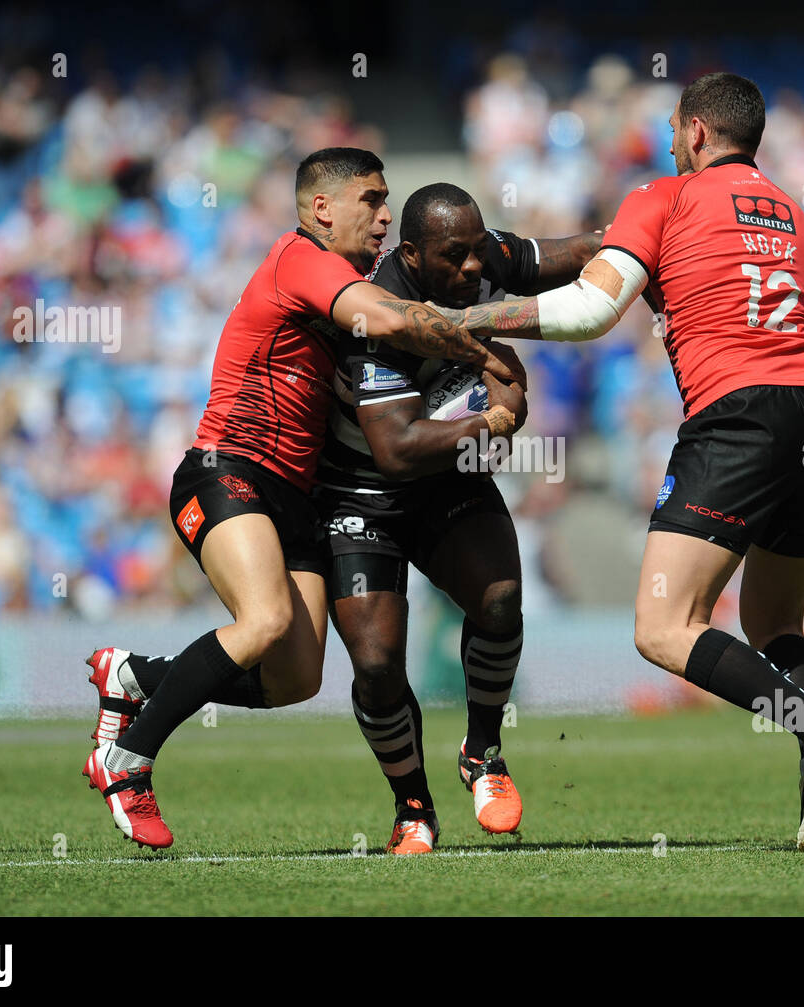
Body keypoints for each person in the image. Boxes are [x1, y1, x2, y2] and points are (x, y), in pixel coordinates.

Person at [432, 74, 804, 851]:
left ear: (698, 134)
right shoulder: (791, 213)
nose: (672, 144)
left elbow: (590, 309)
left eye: (676, 132)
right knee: (776, 623)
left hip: (738, 415)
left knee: (661, 626)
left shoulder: (666, 194)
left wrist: (469, 318)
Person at [81, 148, 526, 849]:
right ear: (323, 209)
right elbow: (394, 318)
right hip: (228, 471)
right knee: (262, 623)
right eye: (372, 200)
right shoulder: (303, 259)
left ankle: (137, 675)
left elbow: (506, 268)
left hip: (296, 495)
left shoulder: (344, 271)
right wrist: (495, 342)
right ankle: (127, 759)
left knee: (294, 676)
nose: (385, 215)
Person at [317, 182, 600, 853]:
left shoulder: (479, 256)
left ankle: (483, 751)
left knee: (501, 598)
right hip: (363, 490)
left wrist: (632, 241)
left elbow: (556, 257)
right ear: (412, 254)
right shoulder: (376, 315)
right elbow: (395, 448)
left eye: (478, 252)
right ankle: (412, 805)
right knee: (379, 660)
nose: (474, 269)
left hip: (448, 478)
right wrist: (492, 418)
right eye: (455, 256)